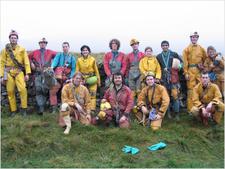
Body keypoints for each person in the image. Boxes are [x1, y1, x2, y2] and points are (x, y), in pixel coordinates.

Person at [0, 30, 31, 116]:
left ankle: (24, 109)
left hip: (19, 72)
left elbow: (26, 61)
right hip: (9, 72)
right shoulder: (4, 50)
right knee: (10, 91)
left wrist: (27, 74)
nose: (13, 39)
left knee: (23, 90)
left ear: (17, 39)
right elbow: (2, 63)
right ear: (9, 39)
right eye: (12, 38)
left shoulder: (22, 49)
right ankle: (13, 110)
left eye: (15, 38)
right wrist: (1, 76)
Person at [28, 38, 57, 115]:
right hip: (37, 73)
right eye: (41, 43)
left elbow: (58, 56)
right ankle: (41, 107)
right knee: (38, 89)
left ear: (46, 44)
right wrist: (31, 63)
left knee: (45, 89)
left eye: (44, 43)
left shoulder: (50, 52)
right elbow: (27, 57)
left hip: (47, 74)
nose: (42, 44)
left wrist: (53, 64)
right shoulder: (34, 52)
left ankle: (45, 105)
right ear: (39, 44)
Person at [157, 40, 183, 120]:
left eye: (166, 45)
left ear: (168, 46)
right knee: (166, 97)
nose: (165, 46)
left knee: (175, 96)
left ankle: (177, 114)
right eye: (163, 45)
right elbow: (157, 67)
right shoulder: (158, 56)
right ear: (161, 47)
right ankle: (168, 113)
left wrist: (179, 67)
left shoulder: (174, 54)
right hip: (163, 79)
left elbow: (181, 63)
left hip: (173, 78)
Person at [183, 32, 207, 113]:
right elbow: (185, 62)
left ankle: (202, 108)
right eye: (192, 37)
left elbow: (206, 59)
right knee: (190, 90)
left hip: (199, 72)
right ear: (190, 38)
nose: (194, 38)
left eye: (195, 37)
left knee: (201, 89)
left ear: (197, 38)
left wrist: (203, 67)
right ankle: (190, 109)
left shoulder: (201, 48)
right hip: (190, 71)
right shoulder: (186, 49)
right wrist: (186, 73)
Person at [50, 42, 76, 113]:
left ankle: (64, 107)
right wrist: (52, 67)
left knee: (66, 92)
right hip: (58, 77)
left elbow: (73, 69)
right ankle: (54, 108)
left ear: (68, 47)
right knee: (52, 90)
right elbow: (55, 61)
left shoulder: (72, 57)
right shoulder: (59, 55)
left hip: (67, 78)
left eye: (66, 46)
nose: (65, 48)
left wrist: (71, 78)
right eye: (63, 47)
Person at [76, 45, 101, 113]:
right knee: (81, 94)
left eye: (86, 50)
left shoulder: (93, 59)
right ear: (81, 52)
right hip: (82, 79)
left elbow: (96, 71)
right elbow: (77, 71)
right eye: (83, 50)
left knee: (92, 94)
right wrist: (78, 80)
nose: (85, 51)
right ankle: (83, 108)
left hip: (92, 79)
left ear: (89, 51)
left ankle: (92, 109)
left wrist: (98, 81)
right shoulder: (79, 60)